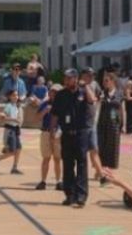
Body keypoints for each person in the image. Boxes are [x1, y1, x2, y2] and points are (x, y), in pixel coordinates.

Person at [54, 70, 95, 207]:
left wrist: (85, 86)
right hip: (66, 133)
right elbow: (55, 114)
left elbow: (92, 100)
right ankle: (70, 195)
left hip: (81, 133)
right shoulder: (61, 95)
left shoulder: (83, 92)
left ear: (75, 79)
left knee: (82, 163)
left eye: (69, 78)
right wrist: (53, 130)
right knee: (68, 164)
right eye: (65, 78)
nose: (66, 81)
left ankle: (81, 196)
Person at [0, 89, 26, 175]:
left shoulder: (17, 106)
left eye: (16, 95)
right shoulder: (8, 106)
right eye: (13, 95)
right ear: (10, 97)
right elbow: (3, 117)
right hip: (10, 130)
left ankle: (14, 167)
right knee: (12, 151)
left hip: (16, 129)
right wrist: (14, 119)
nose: (16, 97)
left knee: (18, 149)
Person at [34, 81, 63, 191]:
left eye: (56, 92)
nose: (53, 94)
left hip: (58, 133)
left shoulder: (63, 105)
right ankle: (43, 181)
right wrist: (45, 111)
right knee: (46, 158)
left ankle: (58, 181)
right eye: (52, 91)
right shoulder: (45, 104)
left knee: (57, 158)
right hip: (46, 132)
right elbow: (36, 118)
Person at [97, 70, 126, 174]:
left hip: (114, 123)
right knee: (102, 145)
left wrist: (124, 125)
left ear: (112, 81)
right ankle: (102, 168)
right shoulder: (102, 93)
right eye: (104, 81)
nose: (104, 83)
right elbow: (98, 108)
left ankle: (110, 169)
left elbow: (123, 109)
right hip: (102, 122)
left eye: (107, 81)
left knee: (113, 146)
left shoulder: (119, 93)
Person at [81, 68, 106, 185]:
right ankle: (80, 176)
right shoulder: (79, 86)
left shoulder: (95, 84)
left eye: (93, 75)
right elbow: (91, 98)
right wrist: (85, 86)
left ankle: (101, 175)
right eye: (89, 75)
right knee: (81, 153)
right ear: (83, 75)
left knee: (94, 150)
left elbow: (99, 97)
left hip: (91, 122)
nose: (92, 77)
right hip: (82, 124)